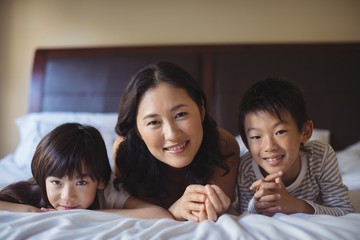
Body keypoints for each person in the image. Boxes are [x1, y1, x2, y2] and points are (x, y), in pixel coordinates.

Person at [113, 61, 240, 222]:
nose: (172, 135)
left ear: (201, 111)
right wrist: (173, 211)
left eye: (181, 114)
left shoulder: (223, 145)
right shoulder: (126, 152)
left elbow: (209, 211)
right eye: (154, 122)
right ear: (138, 131)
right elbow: (131, 211)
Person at [0, 123, 173, 219]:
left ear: (100, 181)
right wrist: (32, 211)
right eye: (56, 182)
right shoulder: (36, 190)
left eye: (81, 182)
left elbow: (160, 214)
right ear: (42, 179)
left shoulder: (109, 191)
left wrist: (92, 214)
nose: (67, 196)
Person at [235, 78, 354, 216]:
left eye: (280, 132)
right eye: (256, 137)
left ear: (305, 132)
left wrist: (297, 205)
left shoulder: (321, 157)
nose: (269, 146)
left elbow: (345, 212)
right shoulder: (245, 168)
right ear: (246, 142)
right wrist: (257, 207)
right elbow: (244, 218)